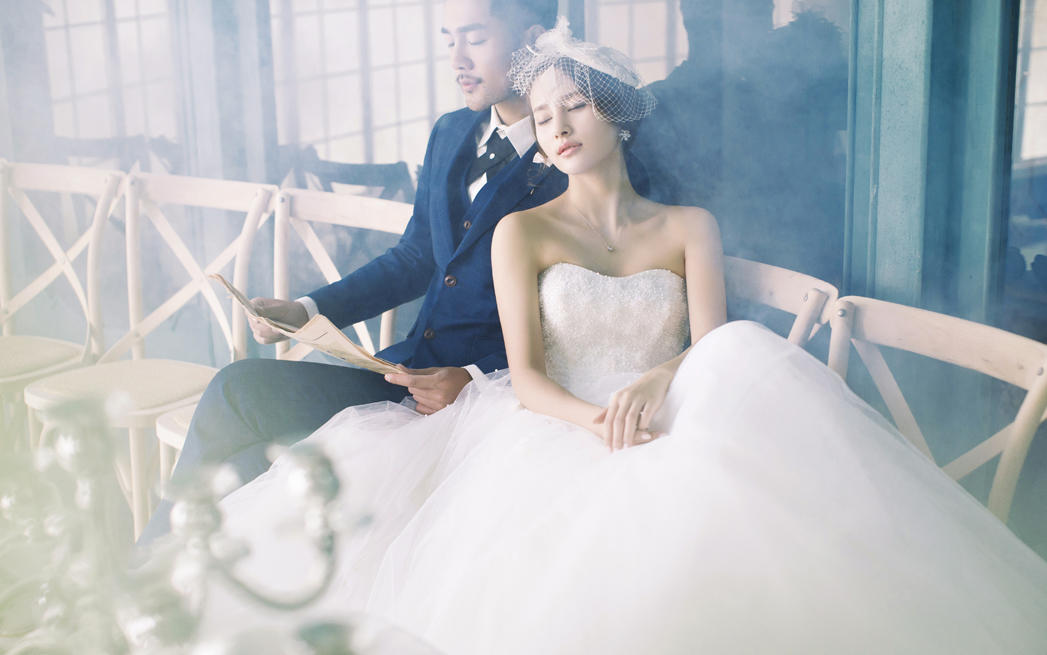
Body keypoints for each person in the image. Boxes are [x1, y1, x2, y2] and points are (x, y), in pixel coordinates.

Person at [204, 21, 1047, 654]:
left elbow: (715, 344)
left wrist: (654, 381)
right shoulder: (521, 229)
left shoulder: (687, 225)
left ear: (617, 114)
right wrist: (595, 421)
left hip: (667, 410)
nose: (558, 125)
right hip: (546, 421)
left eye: (575, 105)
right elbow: (526, 372)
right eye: (544, 115)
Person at [137, 0, 565, 544]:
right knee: (236, 390)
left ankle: (146, 581)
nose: (457, 58)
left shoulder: (572, 154)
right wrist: (307, 310)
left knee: (250, 465)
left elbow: (579, 315)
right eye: (448, 39)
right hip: (399, 373)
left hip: (479, 401)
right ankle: (147, 578)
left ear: (533, 37)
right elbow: (415, 258)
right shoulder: (453, 130)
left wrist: (479, 382)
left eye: (475, 38)